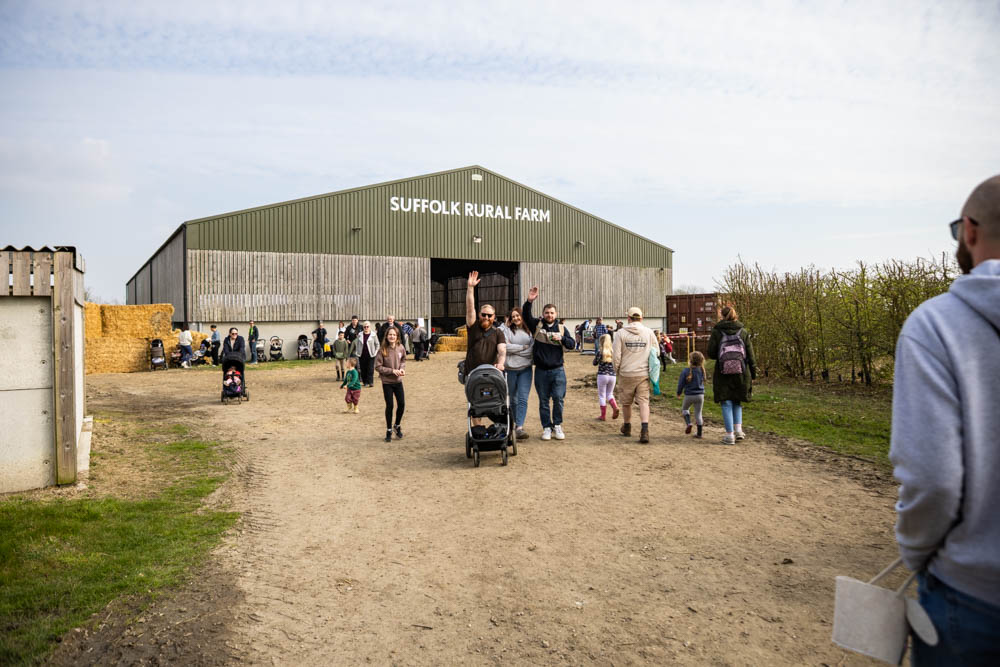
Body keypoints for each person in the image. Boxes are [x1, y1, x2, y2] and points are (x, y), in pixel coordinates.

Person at [889, 174, 1000, 664]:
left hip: (974, 593)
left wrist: (917, 555)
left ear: (970, 231)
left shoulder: (936, 325)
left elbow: (933, 478)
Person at [522, 286, 574, 441]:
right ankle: (546, 427)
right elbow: (525, 315)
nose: (549, 315)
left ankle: (557, 425)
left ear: (556, 314)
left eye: (552, 313)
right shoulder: (537, 326)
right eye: (547, 313)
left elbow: (572, 345)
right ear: (543, 314)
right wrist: (529, 301)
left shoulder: (562, 329)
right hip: (541, 371)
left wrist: (562, 338)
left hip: (558, 370)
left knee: (558, 398)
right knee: (543, 401)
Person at [706, 305, 756, 446]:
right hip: (741, 371)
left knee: (726, 401)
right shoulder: (743, 331)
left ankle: (729, 435)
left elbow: (711, 352)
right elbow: (750, 354)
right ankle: (739, 430)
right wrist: (753, 373)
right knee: (737, 400)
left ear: (722, 316)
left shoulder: (717, 331)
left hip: (723, 371)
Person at [464, 271, 507, 431]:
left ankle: (499, 428)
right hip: (472, 373)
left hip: (491, 374)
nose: (486, 317)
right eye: (484, 314)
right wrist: (470, 289)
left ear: (494, 317)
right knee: (475, 403)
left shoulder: (498, 332)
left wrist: (501, 364)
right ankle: (478, 430)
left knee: (494, 401)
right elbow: (470, 308)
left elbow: (502, 350)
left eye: (490, 315)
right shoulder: (473, 327)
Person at [612, 307, 658, 443]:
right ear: (641, 318)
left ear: (628, 318)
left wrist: (617, 370)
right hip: (643, 373)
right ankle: (644, 430)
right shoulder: (649, 333)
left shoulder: (620, 333)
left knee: (626, 403)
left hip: (626, 373)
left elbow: (616, 355)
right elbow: (656, 352)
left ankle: (627, 426)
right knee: (644, 402)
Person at [499, 306, 533, 439]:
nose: (516, 318)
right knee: (512, 399)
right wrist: (523, 348)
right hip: (510, 369)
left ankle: (519, 427)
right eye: (513, 316)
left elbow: (531, 350)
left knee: (523, 398)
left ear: (522, 316)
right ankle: (512, 424)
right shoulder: (506, 330)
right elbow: (505, 347)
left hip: (525, 369)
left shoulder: (529, 331)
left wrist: (517, 350)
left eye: (517, 315)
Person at [375, 326, 406, 442]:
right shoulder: (382, 350)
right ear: (386, 336)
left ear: (397, 336)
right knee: (390, 406)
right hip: (387, 382)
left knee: (402, 404)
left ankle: (397, 425)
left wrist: (402, 369)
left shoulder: (400, 347)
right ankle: (388, 429)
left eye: (394, 335)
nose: (392, 336)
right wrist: (392, 371)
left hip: (398, 381)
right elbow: (378, 367)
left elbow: (403, 360)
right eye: (390, 335)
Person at [676, 351, 706, 439]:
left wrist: (679, 392)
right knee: (698, 414)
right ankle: (699, 433)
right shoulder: (702, 370)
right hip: (700, 396)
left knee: (685, 409)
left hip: (689, 395)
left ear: (690, 360)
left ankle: (689, 423)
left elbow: (681, 383)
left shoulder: (686, 371)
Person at [593, 333, 619, 421]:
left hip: (602, 375)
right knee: (610, 394)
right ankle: (615, 406)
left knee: (602, 395)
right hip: (612, 375)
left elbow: (594, 363)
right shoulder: (613, 352)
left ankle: (603, 415)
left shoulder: (600, 352)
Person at [352, 320, 379, 387]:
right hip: (361, 355)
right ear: (363, 327)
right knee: (363, 369)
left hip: (371, 354)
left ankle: (370, 382)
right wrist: (357, 352)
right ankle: (365, 382)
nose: (366, 328)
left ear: (370, 327)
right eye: (365, 327)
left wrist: (375, 352)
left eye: (367, 327)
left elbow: (377, 344)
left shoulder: (373, 335)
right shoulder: (360, 335)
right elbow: (357, 344)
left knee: (370, 369)